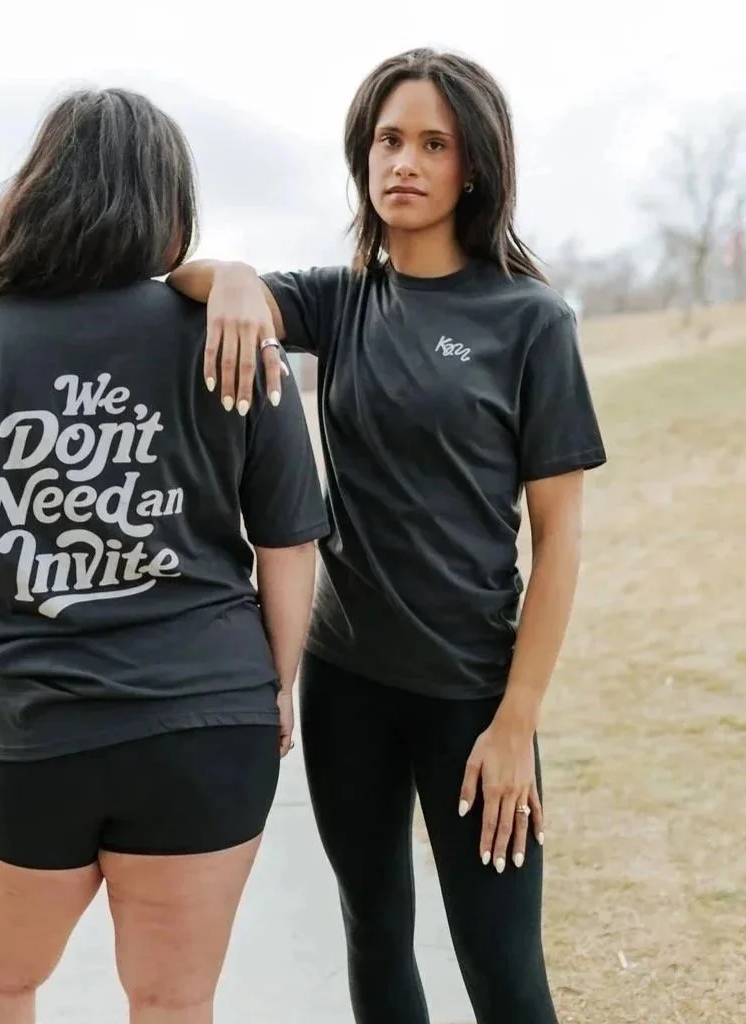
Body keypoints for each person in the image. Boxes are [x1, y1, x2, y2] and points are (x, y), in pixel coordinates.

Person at [167, 47, 607, 1024]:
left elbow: (561, 540)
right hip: (347, 687)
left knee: (504, 975)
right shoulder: (340, 299)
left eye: (433, 144)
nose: (404, 162)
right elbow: (191, 281)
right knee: (372, 932)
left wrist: (516, 720)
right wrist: (233, 275)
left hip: (472, 701)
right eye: (388, 139)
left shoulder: (531, 322)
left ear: (474, 166)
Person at [0, 86, 328, 1024]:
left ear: (39, 192)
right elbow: (288, 544)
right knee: (174, 1001)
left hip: (28, 725)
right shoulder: (234, 341)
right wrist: (276, 682)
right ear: (169, 203)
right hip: (204, 724)